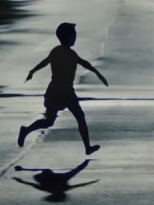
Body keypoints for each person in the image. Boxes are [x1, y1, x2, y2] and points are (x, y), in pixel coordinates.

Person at [19, 22, 108, 155]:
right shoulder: (70, 53)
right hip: (66, 92)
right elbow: (84, 63)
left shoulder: (55, 51)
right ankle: (87, 147)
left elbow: (45, 61)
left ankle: (26, 130)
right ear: (68, 37)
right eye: (74, 35)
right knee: (79, 117)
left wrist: (33, 71)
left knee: (49, 121)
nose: (75, 38)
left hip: (53, 90)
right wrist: (97, 73)